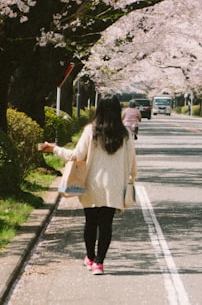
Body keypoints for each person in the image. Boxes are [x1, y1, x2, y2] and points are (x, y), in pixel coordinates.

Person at [39, 96, 136, 276]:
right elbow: (131, 161)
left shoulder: (90, 131)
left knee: (90, 223)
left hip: (92, 184)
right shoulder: (125, 134)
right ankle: (99, 263)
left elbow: (76, 155)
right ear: (117, 111)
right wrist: (132, 178)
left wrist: (55, 149)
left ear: (98, 110)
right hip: (113, 186)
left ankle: (90, 258)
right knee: (106, 225)